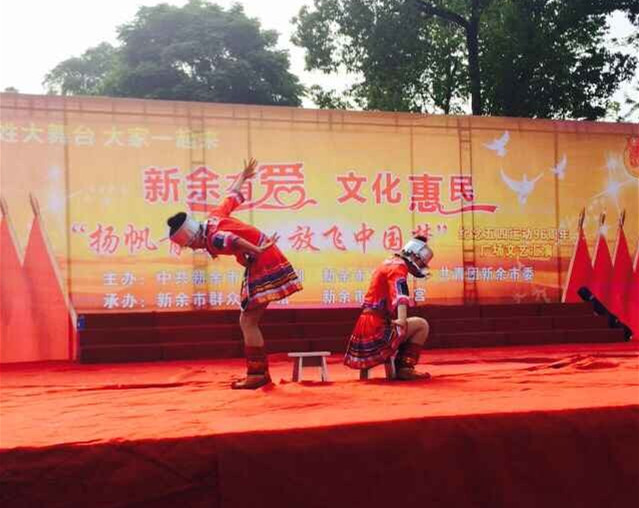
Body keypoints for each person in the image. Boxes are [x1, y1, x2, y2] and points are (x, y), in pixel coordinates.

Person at [167, 158, 302, 389]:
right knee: (248, 320)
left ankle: (257, 375)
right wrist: (243, 176)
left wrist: (255, 250)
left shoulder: (212, 237)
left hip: (263, 258)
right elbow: (231, 195)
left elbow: (231, 239)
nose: (193, 249)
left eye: (190, 245)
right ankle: (258, 373)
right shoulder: (213, 218)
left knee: (248, 321)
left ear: (194, 238)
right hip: (261, 257)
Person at [344, 236, 433, 380]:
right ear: (414, 257)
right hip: (376, 328)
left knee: (412, 325)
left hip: (365, 324)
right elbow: (401, 294)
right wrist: (402, 319)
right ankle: (405, 367)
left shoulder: (388, 262)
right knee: (421, 325)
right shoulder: (399, 267)